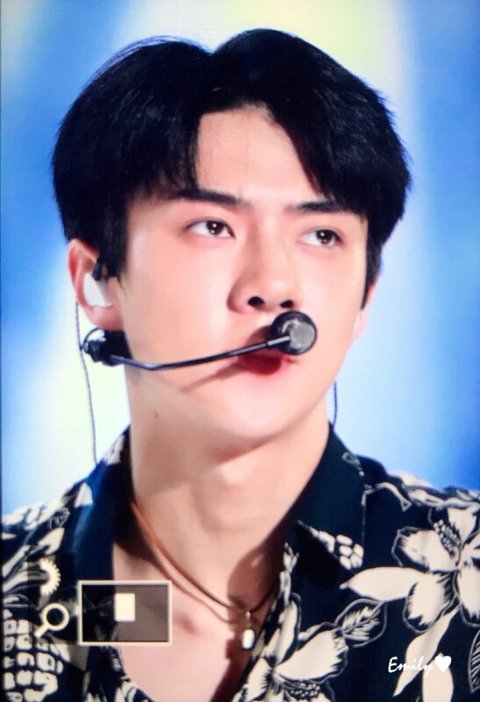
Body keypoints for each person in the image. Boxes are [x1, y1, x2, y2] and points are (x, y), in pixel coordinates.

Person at [3, 28, 479, 702]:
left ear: (365, 297)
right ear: (97, 280)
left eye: (322, 235)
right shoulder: (18, 593)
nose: (273, 285)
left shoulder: (468, 573)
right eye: (213, 226)